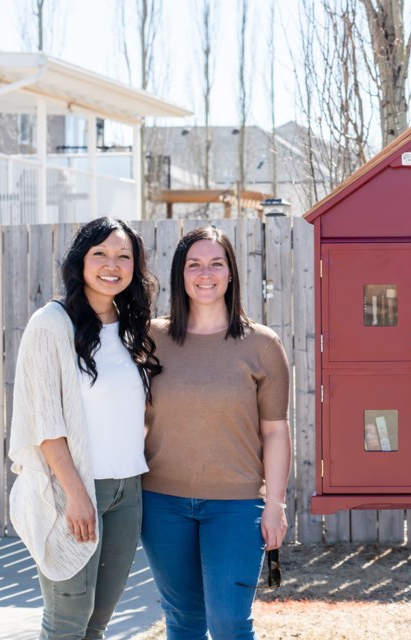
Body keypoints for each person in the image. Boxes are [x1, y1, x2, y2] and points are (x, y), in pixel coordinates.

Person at [8, 217, 160, 639]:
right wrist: (76, 494)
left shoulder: (133, 327)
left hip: (127, 491)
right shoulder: (51, 324)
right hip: (71, 490)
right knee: (66, 622)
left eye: (123, 256)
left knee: (97, 624)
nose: (112, 264)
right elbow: (45, 422)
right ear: (81, 261)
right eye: (101, 254)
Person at [142, 226, 292, 640]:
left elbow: (276, 431)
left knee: (228, 623)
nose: (205, 273)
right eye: (194, 264)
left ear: (230, 274)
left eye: (216, 264)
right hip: (161, 504)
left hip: (236, 505)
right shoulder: (151, 339)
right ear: (180, 273)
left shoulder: (261, 344)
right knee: (183, 622)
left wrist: (275, 505)